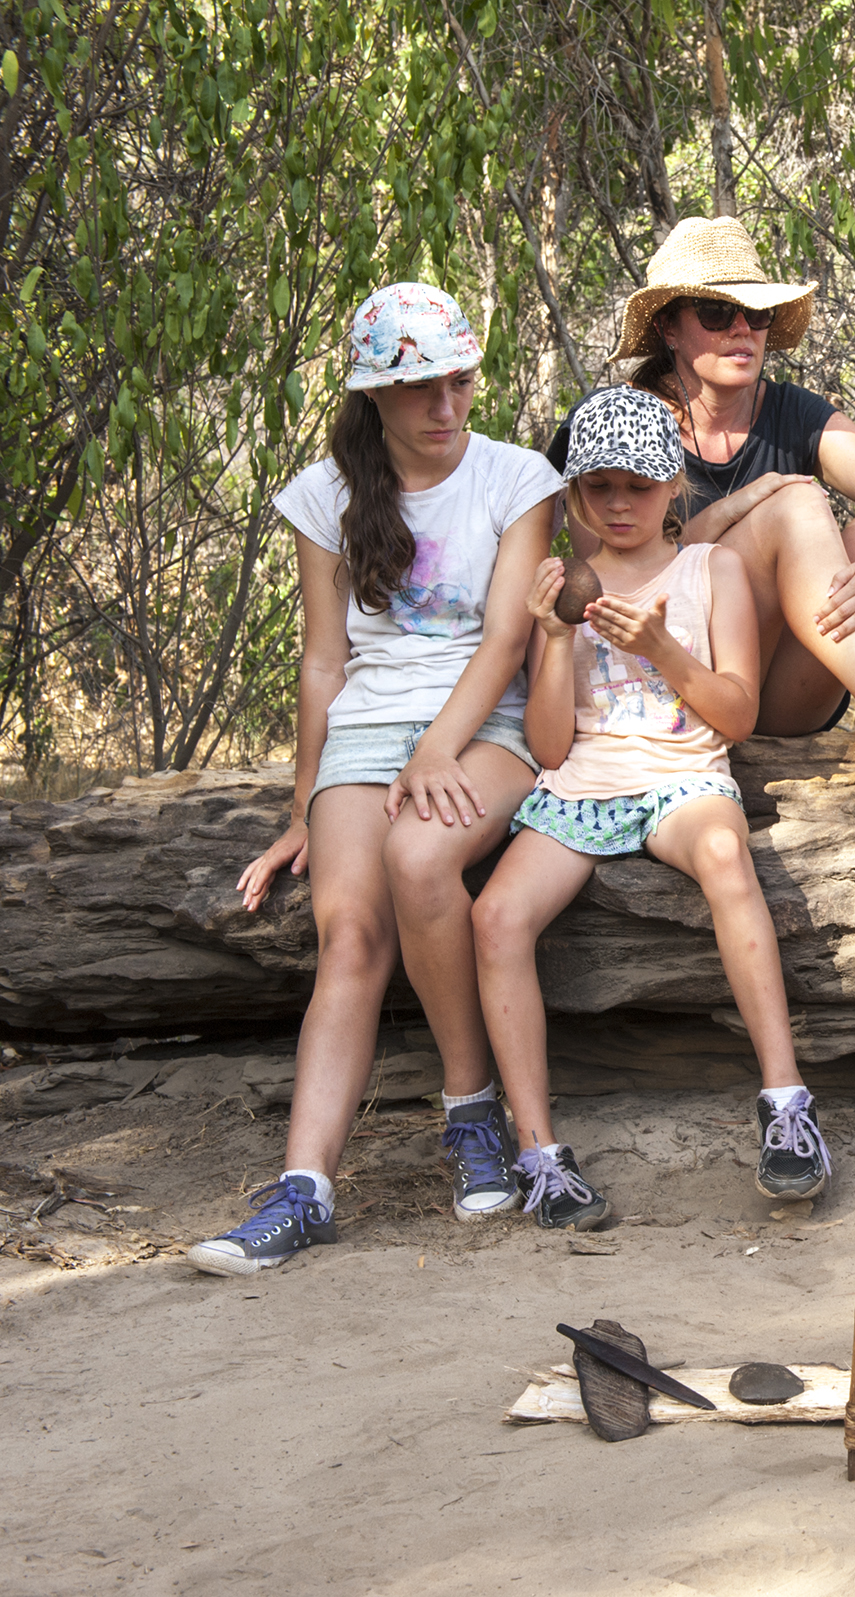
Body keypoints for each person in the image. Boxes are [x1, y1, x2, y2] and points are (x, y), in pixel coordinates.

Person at [190, 283, 561, 1275]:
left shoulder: (516, 476)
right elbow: (322, 661)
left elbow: (509, 634)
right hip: (365, 728)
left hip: (489, 721)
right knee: (347, 929)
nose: (446, 407)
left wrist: (441, 744)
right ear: (373, 397)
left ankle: (468, 1108)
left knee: (419, 856)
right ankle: (304, 1186)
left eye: (459, 381)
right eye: (420, 389)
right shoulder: (326, 494)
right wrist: (304, 803)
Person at [475, 388, 826, 1228]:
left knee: (723, 858)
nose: (619, 504)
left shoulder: (713, 571)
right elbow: (552, 748)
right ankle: (539, 1151)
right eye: (599, 488)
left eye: (638, 484)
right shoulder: (556, 586)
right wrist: (558, 640)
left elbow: (736, 715)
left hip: (680, 773)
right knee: (494, 916)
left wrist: (661, 646)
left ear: (675, 483)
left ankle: (786, 1103)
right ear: (574, 496)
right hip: (586, 783)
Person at [551, 216, 855, 796]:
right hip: (680, 679)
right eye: (718, 314)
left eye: (758, 314)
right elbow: (605, 575)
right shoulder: (615, 424)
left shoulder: (794, 412)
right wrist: (744, 503)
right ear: (670, 328)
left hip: (787, 685)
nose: (742, 330)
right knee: (796, 503)